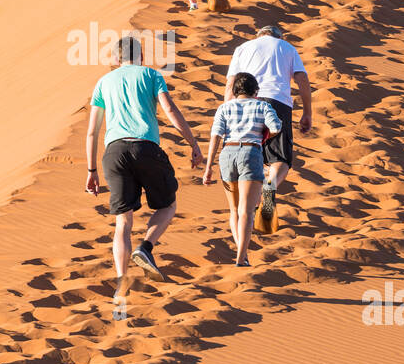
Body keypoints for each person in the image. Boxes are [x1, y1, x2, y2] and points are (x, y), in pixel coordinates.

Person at [86, 34, 203, 289]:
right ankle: (146, 247)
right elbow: (170, 110)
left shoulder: (104, 82)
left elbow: (92, 131)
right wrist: (193, 143)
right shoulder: (151, 75)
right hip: (146, 147)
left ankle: (120, 279)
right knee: (168, 205)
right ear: (141, 56)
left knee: (122, 222)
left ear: (116, 59)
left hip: (114, 153)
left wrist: (91, 170)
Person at [224, 24, 312, 225]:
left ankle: (248, 205)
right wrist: (307, 112)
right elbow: (302, 78)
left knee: (248, 152)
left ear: (259, 35)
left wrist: (228, 112)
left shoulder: (243, 48)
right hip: (277, 102)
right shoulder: (286, 47)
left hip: (245, 102)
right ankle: (269, 187)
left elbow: (230, 84)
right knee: (280, 158)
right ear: (279, 36)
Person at [204, 72, 283, 267]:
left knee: (234, 210)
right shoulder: (263, 105)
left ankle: (242, 251)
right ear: (255, 91)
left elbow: (215, 136)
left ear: (235, 91)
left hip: (227, 153)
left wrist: (208, 168)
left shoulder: (224, 107)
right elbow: (276, 127)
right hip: (251, 152)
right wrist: (264, 134)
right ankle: (241, 256)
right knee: (246, 210)